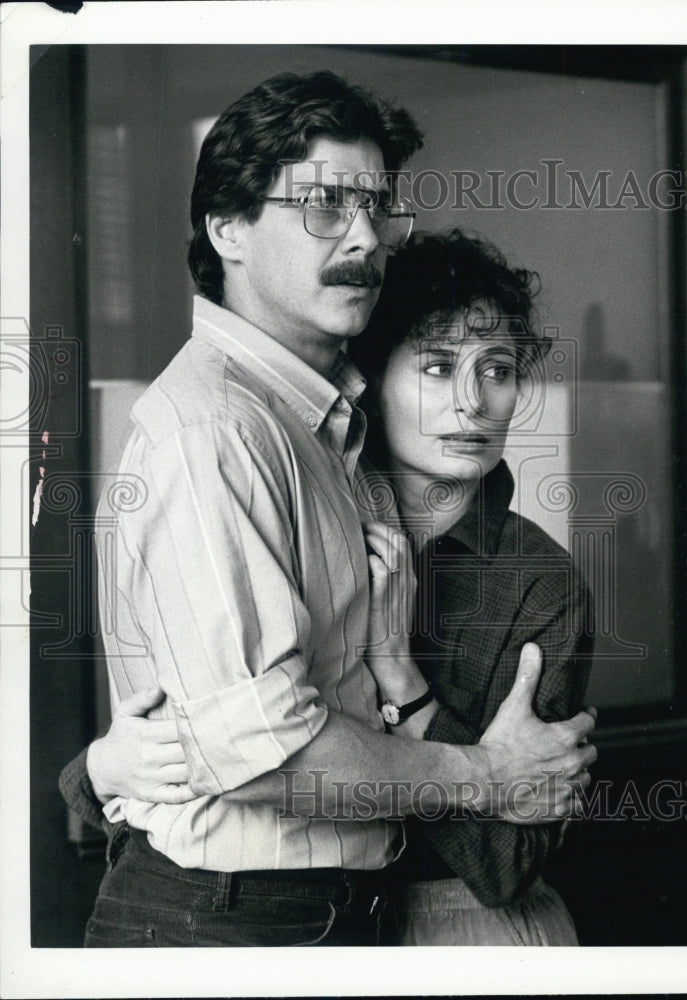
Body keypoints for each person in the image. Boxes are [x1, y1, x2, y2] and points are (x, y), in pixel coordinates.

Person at [60, 72, 597, 948]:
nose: (363, 237)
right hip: (236, 915)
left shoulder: (326, 434)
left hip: (334, 914)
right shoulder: (218, 431)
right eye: (322, 204)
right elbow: (270, 751)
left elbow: (239, 717)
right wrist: (484, 773)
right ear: (226, 228)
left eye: (376, 206)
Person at [350, 229, 594, 944]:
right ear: (370, 377)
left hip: (474, 930)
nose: (473, 402)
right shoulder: (315, 537)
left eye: (497, 369)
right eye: (436, 366)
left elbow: (506, 860)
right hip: (316, 928)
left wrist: (400, 677)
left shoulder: (542, 584)